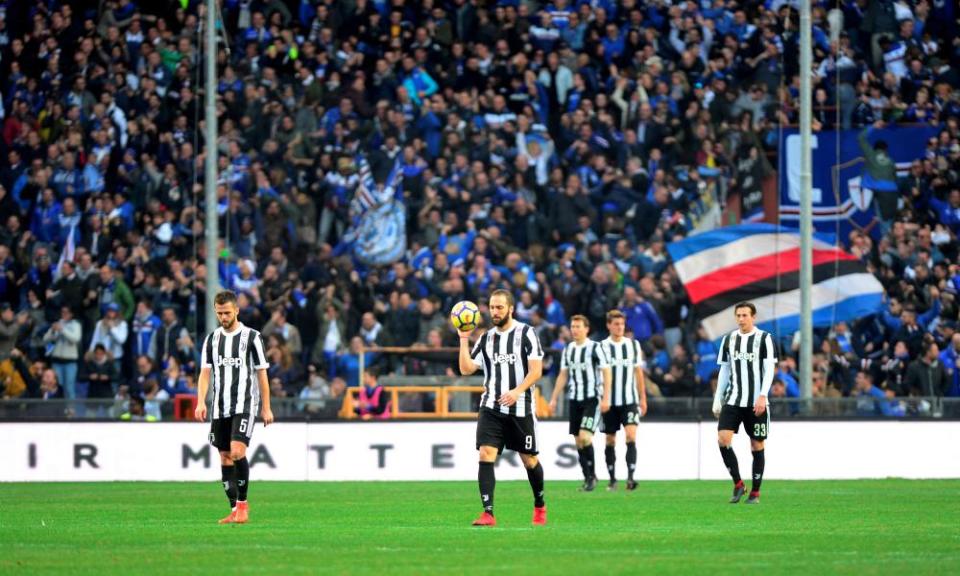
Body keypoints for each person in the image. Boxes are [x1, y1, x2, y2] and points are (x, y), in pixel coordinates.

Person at [458, 289, 547, 527]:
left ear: (511, 309)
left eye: (499, 307)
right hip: (491, 407)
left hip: (520, 408)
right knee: (486, 454)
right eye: (492, 307)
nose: (494, 312)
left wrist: (517, 391)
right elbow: (466, 369)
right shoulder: (486, 338)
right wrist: (463, 339)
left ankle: (539, 504)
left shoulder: (526, 333)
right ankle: (488, 513)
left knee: (529, 460)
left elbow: (536, 371)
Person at [194, 290, 274, 525]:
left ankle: (243, 505)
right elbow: (205, 374)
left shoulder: (252, 337)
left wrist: (266, 407)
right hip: (220, 407)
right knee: (225, 457)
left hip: (245, 404)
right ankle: (233, 508)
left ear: (237, 310)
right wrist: (201, 401)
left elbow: (262, 374)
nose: (223, 317)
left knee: (238, 451)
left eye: (227, 312)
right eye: (219, 313)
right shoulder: (211, 340)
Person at [712, 302, 777, 505]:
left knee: (756, 445)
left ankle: (755, 492)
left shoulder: (764, 339)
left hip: (756, 402)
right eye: (738, 315)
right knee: (723, 440)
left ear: (753, 317)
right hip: (733, 399)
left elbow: (769, 370)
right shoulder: (729, 339)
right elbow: (724, 370)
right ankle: (739, 484)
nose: (741, 319)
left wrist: (762, 396)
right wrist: (717, 397)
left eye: (745, 315)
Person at [548, 315, 611, 492]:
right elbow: (563, 375)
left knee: (585, 437)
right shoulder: (568, 350)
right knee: (578, 441)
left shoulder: (595, 348)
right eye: (572, 326)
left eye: (578, 326)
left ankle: (591, 477)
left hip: (592, 398)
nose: (574, 330)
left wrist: (606, 397)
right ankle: (588, 477)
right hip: (574, 400)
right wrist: (554, 398)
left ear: (586, 329)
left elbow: (606, 372)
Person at [601, 309, 648, 491]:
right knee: (610, 440)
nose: (620, 327)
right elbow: (600, 375)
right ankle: (612, 479)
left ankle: (630, 478)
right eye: (616, 324)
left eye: (622, 324)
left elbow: (639, 373)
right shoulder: (602, 347)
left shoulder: (633, 345)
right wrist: (602, 398)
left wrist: (643, 398)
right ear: (609, 325)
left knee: (630, 435)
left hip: (629, 400)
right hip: (609, 402)